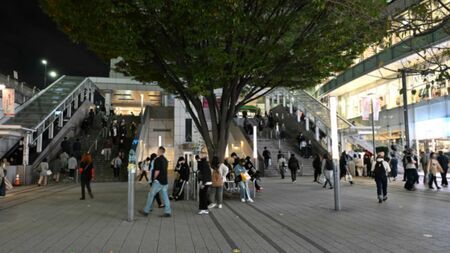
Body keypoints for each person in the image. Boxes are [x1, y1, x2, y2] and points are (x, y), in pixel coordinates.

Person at [139, 146, 171, 217]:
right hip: (165, 181)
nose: (157, 151)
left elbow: (157, 171)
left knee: (151, 195)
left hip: (158, 181)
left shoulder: (158, 159)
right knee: (165, 196)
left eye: (158, 150)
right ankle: (168, 212)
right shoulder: (165, 160)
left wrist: (153, 179)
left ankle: (146, 211)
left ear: (160, 151)